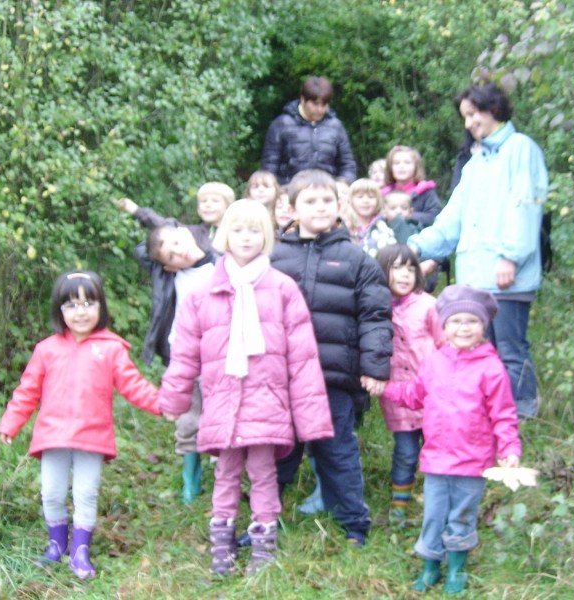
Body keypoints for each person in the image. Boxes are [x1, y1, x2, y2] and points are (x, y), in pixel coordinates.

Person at [159, 200, 334, 576]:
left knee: (263, 473)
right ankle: (221, 545)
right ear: (224, 235)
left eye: (255, 230)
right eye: (238, 230)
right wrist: (174, 397)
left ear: (266, 236)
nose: (246, 238)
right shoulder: (203, 293)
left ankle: (263, 545)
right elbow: (185, 353)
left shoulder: (283, 289)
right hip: (221, 400)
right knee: (225, 473)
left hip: (266, 401)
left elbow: (303, 359)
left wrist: (311, 418)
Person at [0, 271, 162, 580]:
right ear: (59, 311)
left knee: (86, 493)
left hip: (92, 436)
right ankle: (56, 545)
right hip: (53, 435)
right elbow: (27, 391)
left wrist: (163, 404)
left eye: (88, 304)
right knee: (51, 493)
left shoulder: (111, 348)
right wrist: (11, 423)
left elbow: (134, 386)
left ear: (101, 307)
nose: (80, 312)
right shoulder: (47, 349)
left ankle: (80, 551)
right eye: (71, 305)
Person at [408, 82, 548, 418]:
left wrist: (510, 257)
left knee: (510, 350)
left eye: (473, 114)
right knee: (484, 355)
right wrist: (415, 246)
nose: (469, 123)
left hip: (507, 277)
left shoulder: (520, 148)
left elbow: (526, 206)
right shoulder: (475, 163)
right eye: (465, 117)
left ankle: (523, 416)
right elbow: (451, 220)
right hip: (474, 279)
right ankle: (491, 419)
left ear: (493, 109)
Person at [271, 169, 393, 546]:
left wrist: (374, 366)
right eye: (310, 201)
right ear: (293, 209)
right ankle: (263, 519)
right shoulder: (273, 257)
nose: (320, 207)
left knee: (338, 451)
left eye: (327, 200)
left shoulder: (357, 260)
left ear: (339, 206)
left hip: (333, 377)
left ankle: (354, 524)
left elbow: (375, 316)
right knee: (278, 451)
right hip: (283, 377)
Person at [382, 285, 521, 593]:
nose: (464, 328)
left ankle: (456, 568)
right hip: (436, 458)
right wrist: (386, 388)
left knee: (461, 515)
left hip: (473, 462)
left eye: (472, 321)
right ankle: (430, 566)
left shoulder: (491, 368)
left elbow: (504, 414)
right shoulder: (434, 362)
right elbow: (415, 394)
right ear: (444, 327)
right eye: (456, 321)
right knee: (433, 515)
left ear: (483, 326)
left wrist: (509, 448)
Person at [115, 198, 216, 504]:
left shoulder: (222, 262)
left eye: (177, 242)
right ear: (168, 265)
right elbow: (143, 249)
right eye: (171, 255)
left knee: (220, 411)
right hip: (182, 355)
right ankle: (190, 480)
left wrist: (142, 213)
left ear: (185, 232)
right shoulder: (170, 275)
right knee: (189, 417)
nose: (179, 251)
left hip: (218, 354)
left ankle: (226, 473)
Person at [375, 245, 444, 527]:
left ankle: (437, 501)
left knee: (437, 448)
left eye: (410, 268)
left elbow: (445, 345)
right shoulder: (377, 309)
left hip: (432, 395)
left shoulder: (429, 305)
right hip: (398, 397)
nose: (404, 275)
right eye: (396, 268)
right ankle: (399, 506)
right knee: (405, 452)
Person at [261, 76, 357, 184]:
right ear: (303, 100)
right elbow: (269, 167)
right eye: (315, 104)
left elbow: (348, 165)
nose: (320, 109)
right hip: (290, 189)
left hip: (327, 190)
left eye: (324, 104)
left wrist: (343, 183)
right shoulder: (281, 124)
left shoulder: (336, 126)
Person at [381, 145, 442, 228]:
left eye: (407, 162)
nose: (401, 166)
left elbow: (434, 216)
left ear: (416, 167)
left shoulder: (426, 191)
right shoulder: (384, 194)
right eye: (396, 163)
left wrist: (408, 216)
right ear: (390, 168)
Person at [348, 177, 396, 258]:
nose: (366, 201)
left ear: (378, 201)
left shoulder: (384, 227)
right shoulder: (343, 224)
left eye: (371, 197)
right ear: (351, 200)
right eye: (360, 197)